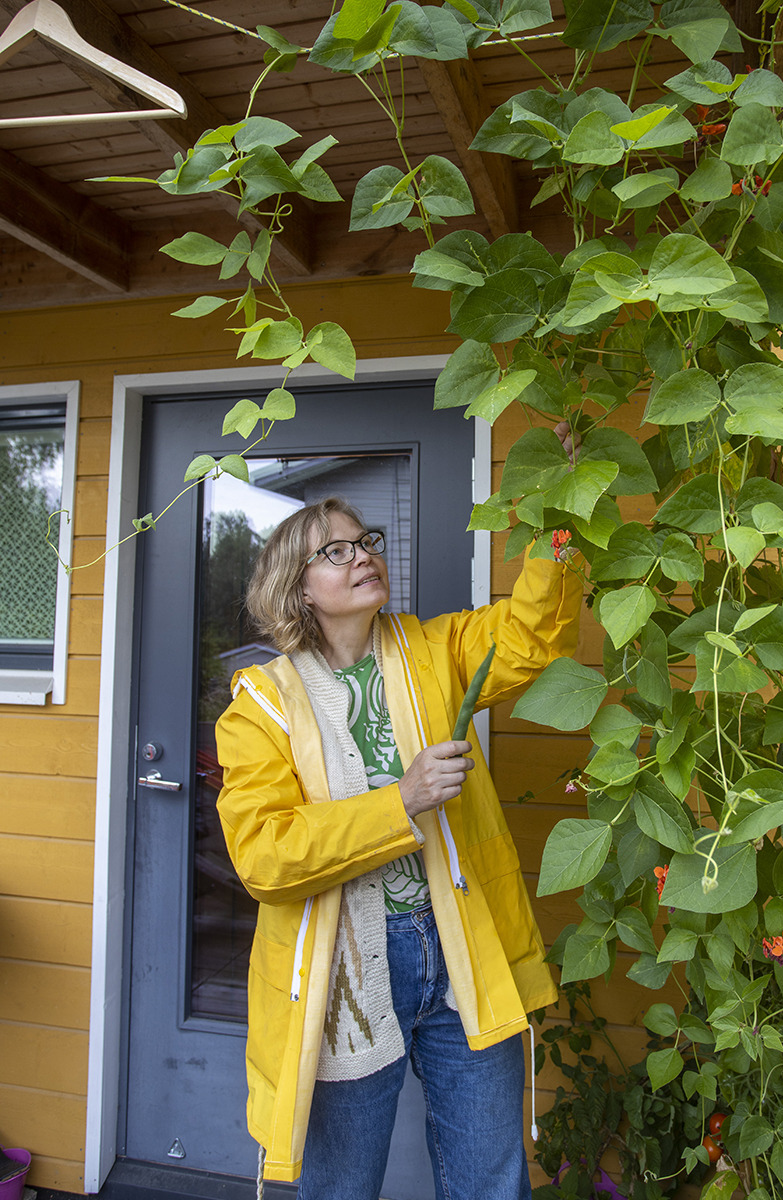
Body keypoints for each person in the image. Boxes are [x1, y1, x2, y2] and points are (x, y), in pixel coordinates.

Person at [215, 429, 582, 1200]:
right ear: (298, 588)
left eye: (366, 543)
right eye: (336, 552)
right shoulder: (261, 708)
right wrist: (401, 802)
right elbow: (265, 856)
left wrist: (558, 499)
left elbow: (533, 634)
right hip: (346, 970)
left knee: (491, 1179)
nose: (363, 556)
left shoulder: (433, 651)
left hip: (459, 949)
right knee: (342, 1187)